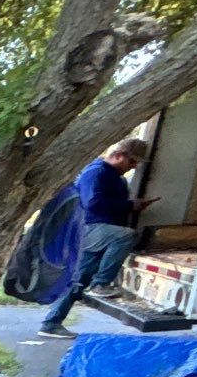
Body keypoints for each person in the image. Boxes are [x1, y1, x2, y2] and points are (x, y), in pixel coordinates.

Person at [39, 137, 159, 338]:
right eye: (131, 162)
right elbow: (93, 203)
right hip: (89, 228)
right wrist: (130, 205)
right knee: (125, 236)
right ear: (119, 155)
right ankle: (101, 283)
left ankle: (51, 323)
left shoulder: (113, 176)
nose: (133, 167)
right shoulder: (97, 172)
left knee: (79, 279)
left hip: (98, 231)